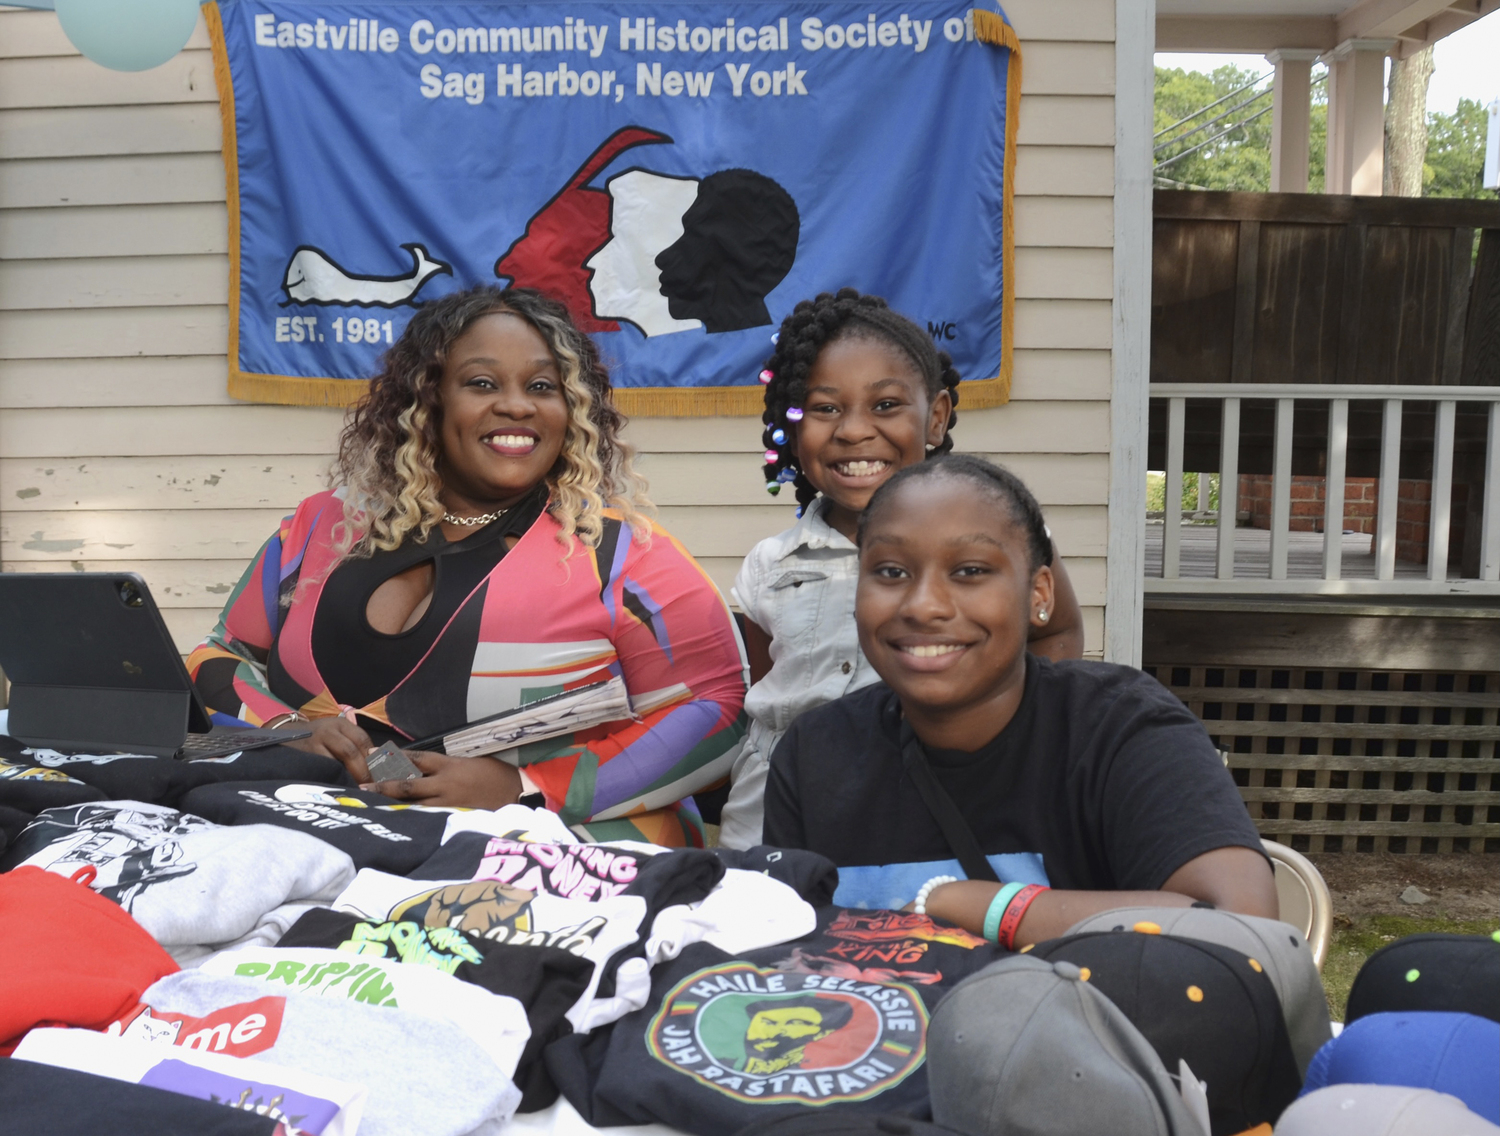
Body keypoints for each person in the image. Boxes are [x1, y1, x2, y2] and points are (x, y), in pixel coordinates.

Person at [189, 286, 747, 847]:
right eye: (482, 383)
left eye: (543, 387)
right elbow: (216, 660)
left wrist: (525, 787)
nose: (516, 405)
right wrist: (286, 730)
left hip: (547, 882)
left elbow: (720, 713)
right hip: (317, 855)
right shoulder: (318, 530)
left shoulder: (622, 554)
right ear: (427, 401)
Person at [762, 456, 1277, 948]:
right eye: (892, 572)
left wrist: (970, 905)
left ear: (1039, 595)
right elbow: (781, 951)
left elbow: (1242, 928)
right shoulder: (814, 755)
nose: (923, 606)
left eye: (969, 571)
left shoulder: (1119, 730)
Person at [718, 289, 1085, 848]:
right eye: (825, 408)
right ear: (792, 427)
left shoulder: (1002, 538)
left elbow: (1058, 628)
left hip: (925, 810)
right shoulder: (771, 565)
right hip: (773, 819)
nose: (854, 430)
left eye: (885, 405)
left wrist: (1022, 733)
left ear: (935, 418)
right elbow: (763, 691)